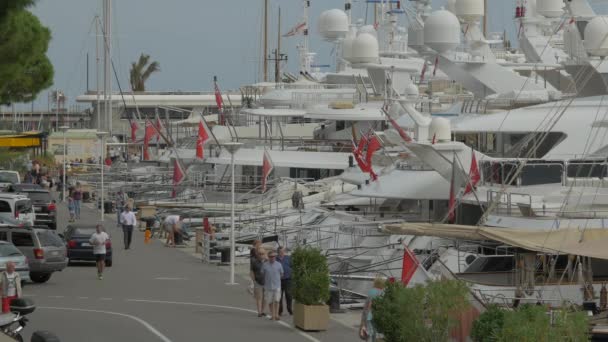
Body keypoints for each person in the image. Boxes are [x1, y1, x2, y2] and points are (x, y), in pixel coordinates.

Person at [360, 277, 386, 342]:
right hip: (377, 314)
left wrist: (363, 315)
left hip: (369, 314)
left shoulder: (371, 291)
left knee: (369, 329)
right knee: (375, 331)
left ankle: (367, 335)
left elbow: (366, 304)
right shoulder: (382, 292)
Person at [262, 250, 284, 321]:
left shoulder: (279, 264)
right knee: (270, 301)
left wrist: (277, 279)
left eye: (274, 256)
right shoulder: (265, 265)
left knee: (277, 300)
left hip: (277, 285)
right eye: (271, 256)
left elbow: (281, 274)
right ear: (268, 257)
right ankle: (272, 315)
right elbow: (262, 274)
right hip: (268, 286)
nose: (273, 258)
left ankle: (277, 314)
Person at [276, 246, 293, 316]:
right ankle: (280, 310)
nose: (282, 253)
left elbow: (292, 266)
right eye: (280, 252)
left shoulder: (288, 258)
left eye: (283, 251)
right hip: (278, 280)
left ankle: (289, 309)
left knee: (289, 295)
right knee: (279, 296)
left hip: (288, 279)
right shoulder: (275, 259)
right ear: (278, 252)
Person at [250, 248, 266, 317]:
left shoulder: (268, 261)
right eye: (260, 254)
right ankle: (259, 312)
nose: (261, 255)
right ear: (257, 254)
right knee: (259, 297)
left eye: (262, 254)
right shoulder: (254, 262)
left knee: (265, 298)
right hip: (258, 282)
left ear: (265, 254)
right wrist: (254, 281)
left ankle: (262, 311)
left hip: (267, 282)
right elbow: (251, 271)